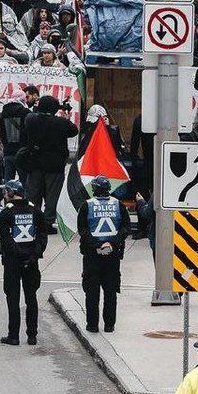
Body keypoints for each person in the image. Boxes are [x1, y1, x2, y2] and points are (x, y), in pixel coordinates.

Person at [77, 175, 131, 333]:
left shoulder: (87, 205)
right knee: (111, 291)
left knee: (92, 292)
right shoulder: (118, 205)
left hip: (92, 255)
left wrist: (96, 245)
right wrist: (112, 243)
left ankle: (92, 325)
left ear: (94, 189)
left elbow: (83, 230)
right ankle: (109, 325)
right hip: (112, 254)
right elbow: (126, 228)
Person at [0, 179, 48, 346]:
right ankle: (32, 335)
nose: (4, 195)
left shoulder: (6, 213)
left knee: (13, 298)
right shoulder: (36, 211)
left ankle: (14, 336)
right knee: (31, 297)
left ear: (12, 193)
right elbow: (42, 237)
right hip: (32, 261)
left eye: (6, 192)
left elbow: (6, 239)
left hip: (12, 262)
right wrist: (33, 255)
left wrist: (18, 255)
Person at [21, 96, 77, 232]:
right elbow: (74, 131)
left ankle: (32, 220)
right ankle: (47, 222)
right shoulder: (61, 123)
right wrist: (66, 117)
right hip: (55, 165)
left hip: (34, 163)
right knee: (52, 196)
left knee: (33, 193)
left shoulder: (31, 119)